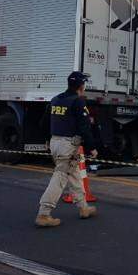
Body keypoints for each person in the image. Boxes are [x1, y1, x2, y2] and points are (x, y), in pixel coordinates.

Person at [35, 71, 99, 228]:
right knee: (61, 176)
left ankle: (83, 207)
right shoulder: (78, 102)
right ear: (81, 86)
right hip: (68, 145)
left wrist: (46, 141)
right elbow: (84, 127)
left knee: (74, 173)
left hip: (55, 142)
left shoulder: (56, 100)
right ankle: (44, 213)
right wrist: (92, 148)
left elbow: (43, 122)